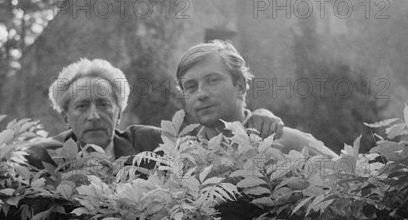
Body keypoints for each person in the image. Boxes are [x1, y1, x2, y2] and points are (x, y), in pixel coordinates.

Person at [27, 58, 285, 168]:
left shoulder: (147, 143)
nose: (94, 115)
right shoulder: (41, 157)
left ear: (119, 112)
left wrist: (255, 117)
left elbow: (209, 143)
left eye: (104, 105)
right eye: (82, 107)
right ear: (65, 116)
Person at [175, 40, 338, 158]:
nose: (201, 93)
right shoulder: (182, 161)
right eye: (190, 86)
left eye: (213, 80)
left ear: (239, 86)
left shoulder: (286, 142)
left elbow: (355, 188)